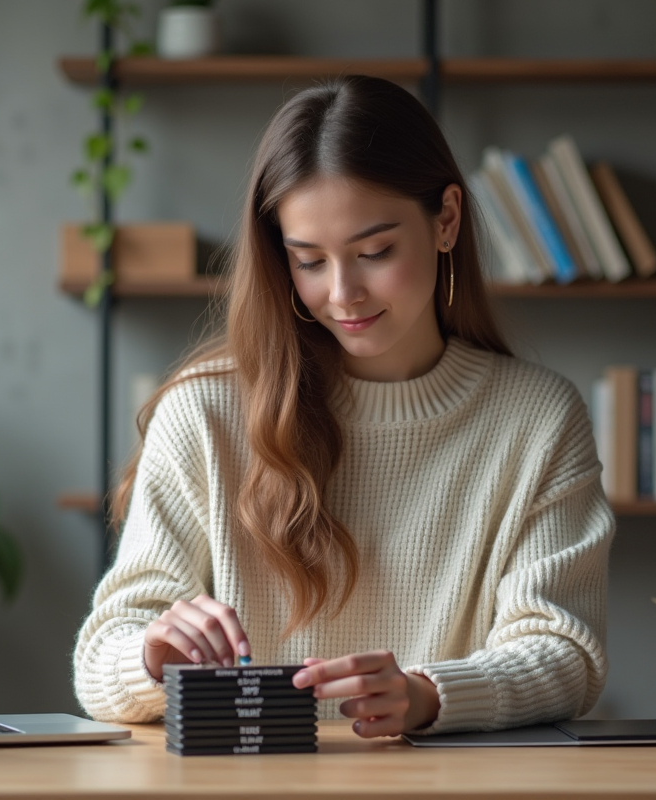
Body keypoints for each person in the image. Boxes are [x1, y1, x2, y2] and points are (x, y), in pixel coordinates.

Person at [73, 75, 613, 738]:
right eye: (308, 261)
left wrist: (426, 695)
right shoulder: (204, 413)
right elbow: (100, 660)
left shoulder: (537, 419)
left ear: (446, 219)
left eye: (374, 252)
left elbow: (567, 655)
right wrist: (151, 657)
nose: (342, 293)